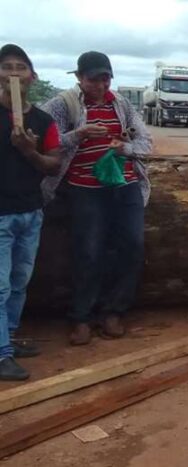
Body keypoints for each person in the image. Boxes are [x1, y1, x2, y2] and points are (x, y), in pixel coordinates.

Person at [40, 51, 153, 346]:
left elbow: (145, 142)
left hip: (125, 185)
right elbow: (46, 140)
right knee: (88, 251)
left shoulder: (122, 104)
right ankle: (81, 317)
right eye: (93, 79)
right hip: (84, 188)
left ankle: (114, 312)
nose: (101, 85)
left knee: (132, 245)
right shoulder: (63, 105)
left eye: (106, 78)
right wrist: (79, 134)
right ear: (79, 78)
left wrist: (124, 148)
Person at [0, 44, 62, 381]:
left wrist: (29, 151)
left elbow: (54, 165)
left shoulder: (43, 120)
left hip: (29, 212)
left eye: (20, 67)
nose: (13, 73)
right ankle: (1, 354)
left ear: (32, 76)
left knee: (19, 282)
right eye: (6, 67)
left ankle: (7, 338)